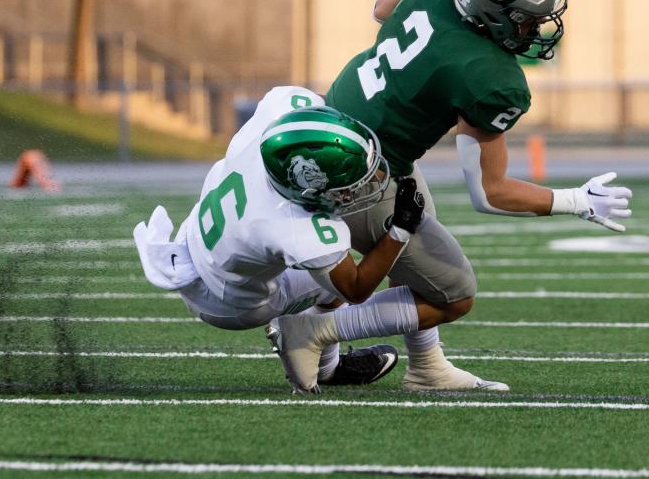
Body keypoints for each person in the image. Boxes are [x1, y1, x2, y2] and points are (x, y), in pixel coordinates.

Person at [268, 0, 633, 392]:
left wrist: (421, 68)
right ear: (492, 13)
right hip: (359, 174)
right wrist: (578, 201)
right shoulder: (488, 77)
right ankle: (313, 331)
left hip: (336, 118)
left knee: (422, 223)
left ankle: (426, 366)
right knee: (454, 293)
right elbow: (489, 193)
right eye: (525, 21)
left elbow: (383, 9)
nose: (533, 31)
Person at [135, 86, 504, 392]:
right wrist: (399, 231)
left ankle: (327, 364)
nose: (367, 182)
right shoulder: (292, 223)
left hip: (195, 242)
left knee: (326, 277)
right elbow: (357, 288)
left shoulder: (281, 116)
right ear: (308, 192)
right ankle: (313, 350)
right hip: (227, 300)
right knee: (335, 284)